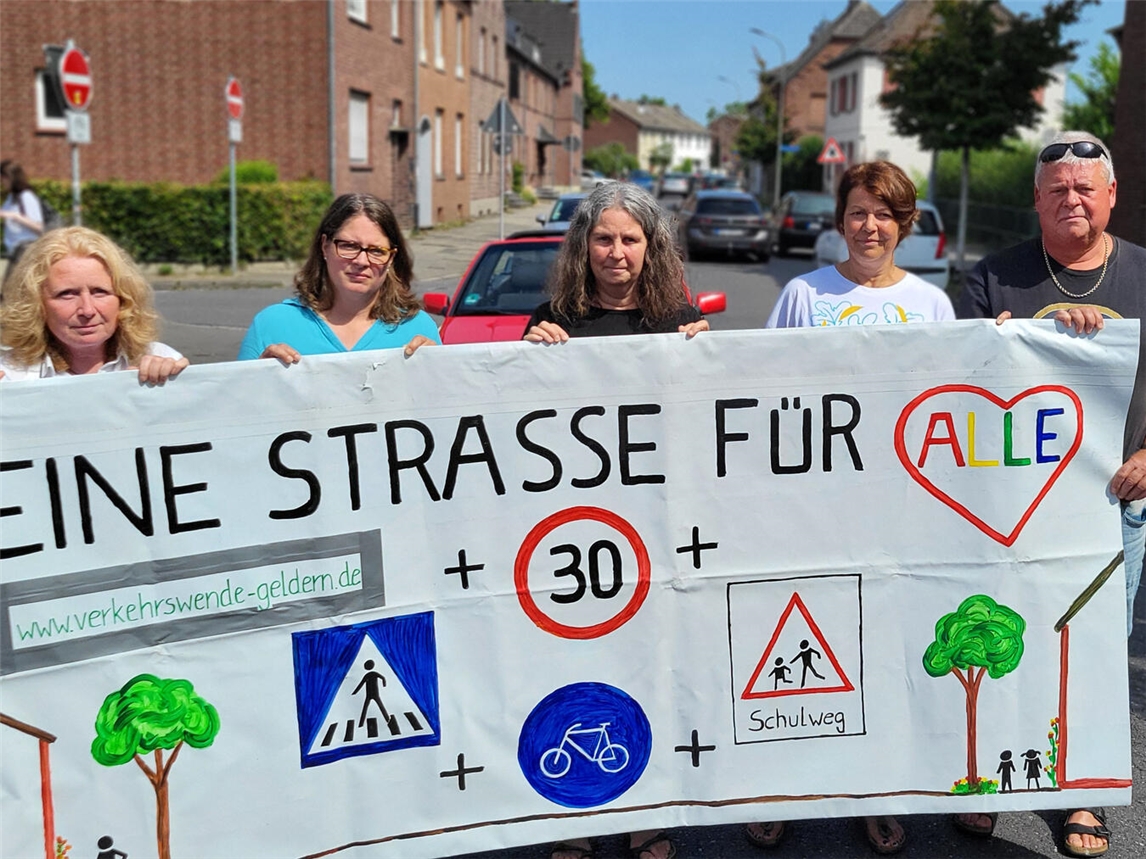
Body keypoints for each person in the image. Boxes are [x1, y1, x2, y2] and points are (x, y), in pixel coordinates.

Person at [749, 160, 954, 857]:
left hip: (894, 513)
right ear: (841, 221)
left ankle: (875, 791)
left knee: (880, 657)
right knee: (797, 652)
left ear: (906, 224)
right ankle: (781, 788)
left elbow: (947, 412)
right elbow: (760, 395)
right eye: (860, 211)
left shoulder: (932, 306)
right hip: (812, 511)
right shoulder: (805, 295)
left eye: (886, 213)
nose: (872, 225)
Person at [958, 130, 1145, 859]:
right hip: (1006, 507)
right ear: (1035, 199)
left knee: (1092, 652)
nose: (1072, 199)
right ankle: (994, 781)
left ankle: (1080, 794)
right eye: (1058, 189)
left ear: (1112, 196)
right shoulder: (993, 276)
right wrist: (989, 348)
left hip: (1113, 505)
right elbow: (950, 381)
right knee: (999, 638)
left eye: (1085, 188)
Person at [526, 181, 708, 859]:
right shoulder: (553, 317)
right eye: (603, 238)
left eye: (630, 238)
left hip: (654, 534)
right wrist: (529, 353)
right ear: (583, 246)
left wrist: (709, 357)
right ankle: (574, 820)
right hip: (572, 538)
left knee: (650, 670)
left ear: (650, 246)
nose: (616, 251)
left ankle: (647, 816)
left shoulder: (676, 319)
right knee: (572, 672)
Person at [238, 193, 439, 362]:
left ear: (391, 258)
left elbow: (445, 406)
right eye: (349, 246)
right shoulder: (272, 325)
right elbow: (237, 406)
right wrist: (259, 379)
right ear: (325, 246)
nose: (362, 261)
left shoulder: (417, 328)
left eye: (377, 250)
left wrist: (437, 372)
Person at [0, 226, 188, 383]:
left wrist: (181, 387)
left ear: (123, 299)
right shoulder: (10, 376)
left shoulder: (160, 359)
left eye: (100, 292)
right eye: (67, 294)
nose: (87, 310)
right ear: (36, 305)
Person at [1, 159, 45, 282]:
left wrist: (15, 216)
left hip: (25, 248)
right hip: (14, 250)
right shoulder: (11, 198)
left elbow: (39, 227)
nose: (2, 182)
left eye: (3, 178)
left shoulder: (26, 196)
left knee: (9, 289)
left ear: (10, 177)